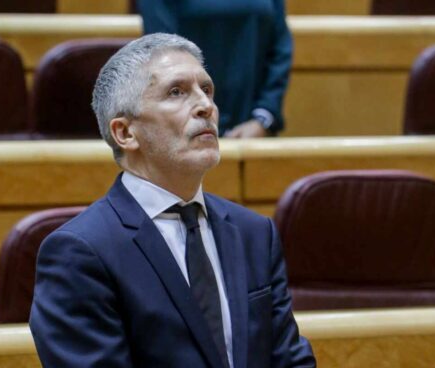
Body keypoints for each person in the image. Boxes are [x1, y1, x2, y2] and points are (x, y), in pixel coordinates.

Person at [29, 33, 314, 367]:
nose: (206, 106)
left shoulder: (255, 233)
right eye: (176, 92)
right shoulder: (79, 253)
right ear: (125, 133)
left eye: (206, 90)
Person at [137, 0, 293, 138]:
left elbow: (280, 47)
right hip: (183, 130)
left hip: (253, 130)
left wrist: (263, 119)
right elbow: (163, 52)